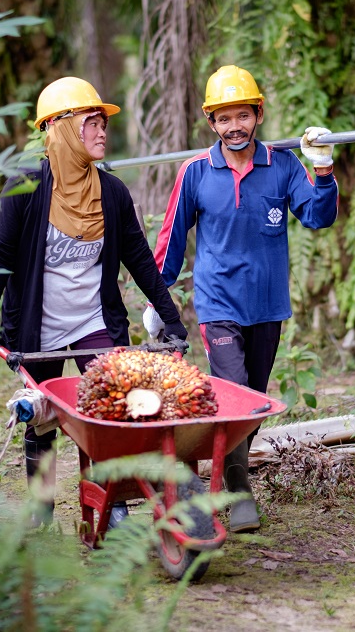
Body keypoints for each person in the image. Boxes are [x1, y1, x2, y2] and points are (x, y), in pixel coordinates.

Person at [0, 76, 189, 526]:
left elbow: (139, 260)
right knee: (42, 419)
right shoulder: (26, 187)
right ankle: (41, 506)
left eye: (102, 123)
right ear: (60, 129)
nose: (101, 131)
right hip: (37, 327)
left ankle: (112, 503)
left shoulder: (111, 192)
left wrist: (170, 317)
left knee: (107, 413)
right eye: (90, 122)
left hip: (92, 320)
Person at [146, 64, 339, 533]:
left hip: (268, 307)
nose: (235, 127)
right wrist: (157, 297)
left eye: (243, 116)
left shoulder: (282, 166)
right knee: (231, 393)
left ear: (258, 114)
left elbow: (317, 217)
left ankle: (227, 477)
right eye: (224, 118)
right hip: (217, 307)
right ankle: (238, 490)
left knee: (252, 400)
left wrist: (323, 167)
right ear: (211, 123)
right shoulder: (195, 173)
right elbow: (172, 240)